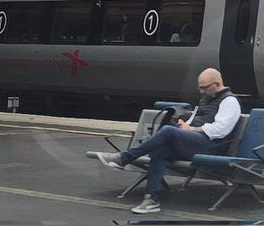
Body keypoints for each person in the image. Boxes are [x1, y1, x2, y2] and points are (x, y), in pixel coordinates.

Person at [94, 68, 241, 214]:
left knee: (167, 131)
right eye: (199, 88)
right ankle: (151, 199)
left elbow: (221, 130)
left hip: (212, 146)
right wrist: (184, 124)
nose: (201, 91)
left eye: (204, 87)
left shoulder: (229, 101)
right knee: (160, 151)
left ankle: (125, 158)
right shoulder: (208, 98)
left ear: (216, 83)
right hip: (195, 143)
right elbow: (196, 120)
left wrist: (189, 129)